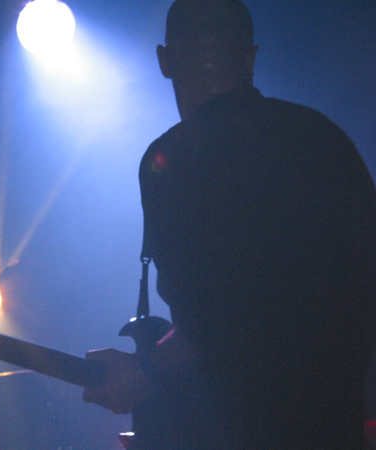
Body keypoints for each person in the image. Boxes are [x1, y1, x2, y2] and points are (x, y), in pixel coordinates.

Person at [83, 0, 376, 447]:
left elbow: (217, 318)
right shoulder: (324, 137)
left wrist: (146, 370)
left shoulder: (172, 159)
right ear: (251, 57)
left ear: (165, 61)